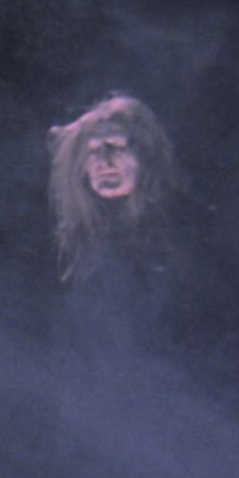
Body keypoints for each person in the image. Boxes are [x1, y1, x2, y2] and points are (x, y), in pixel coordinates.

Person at [45, 93, 190, 347]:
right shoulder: (69, 241)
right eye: (93, 151)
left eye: (117, 146)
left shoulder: (183, 232)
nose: (105, 162)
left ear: (145, 156)